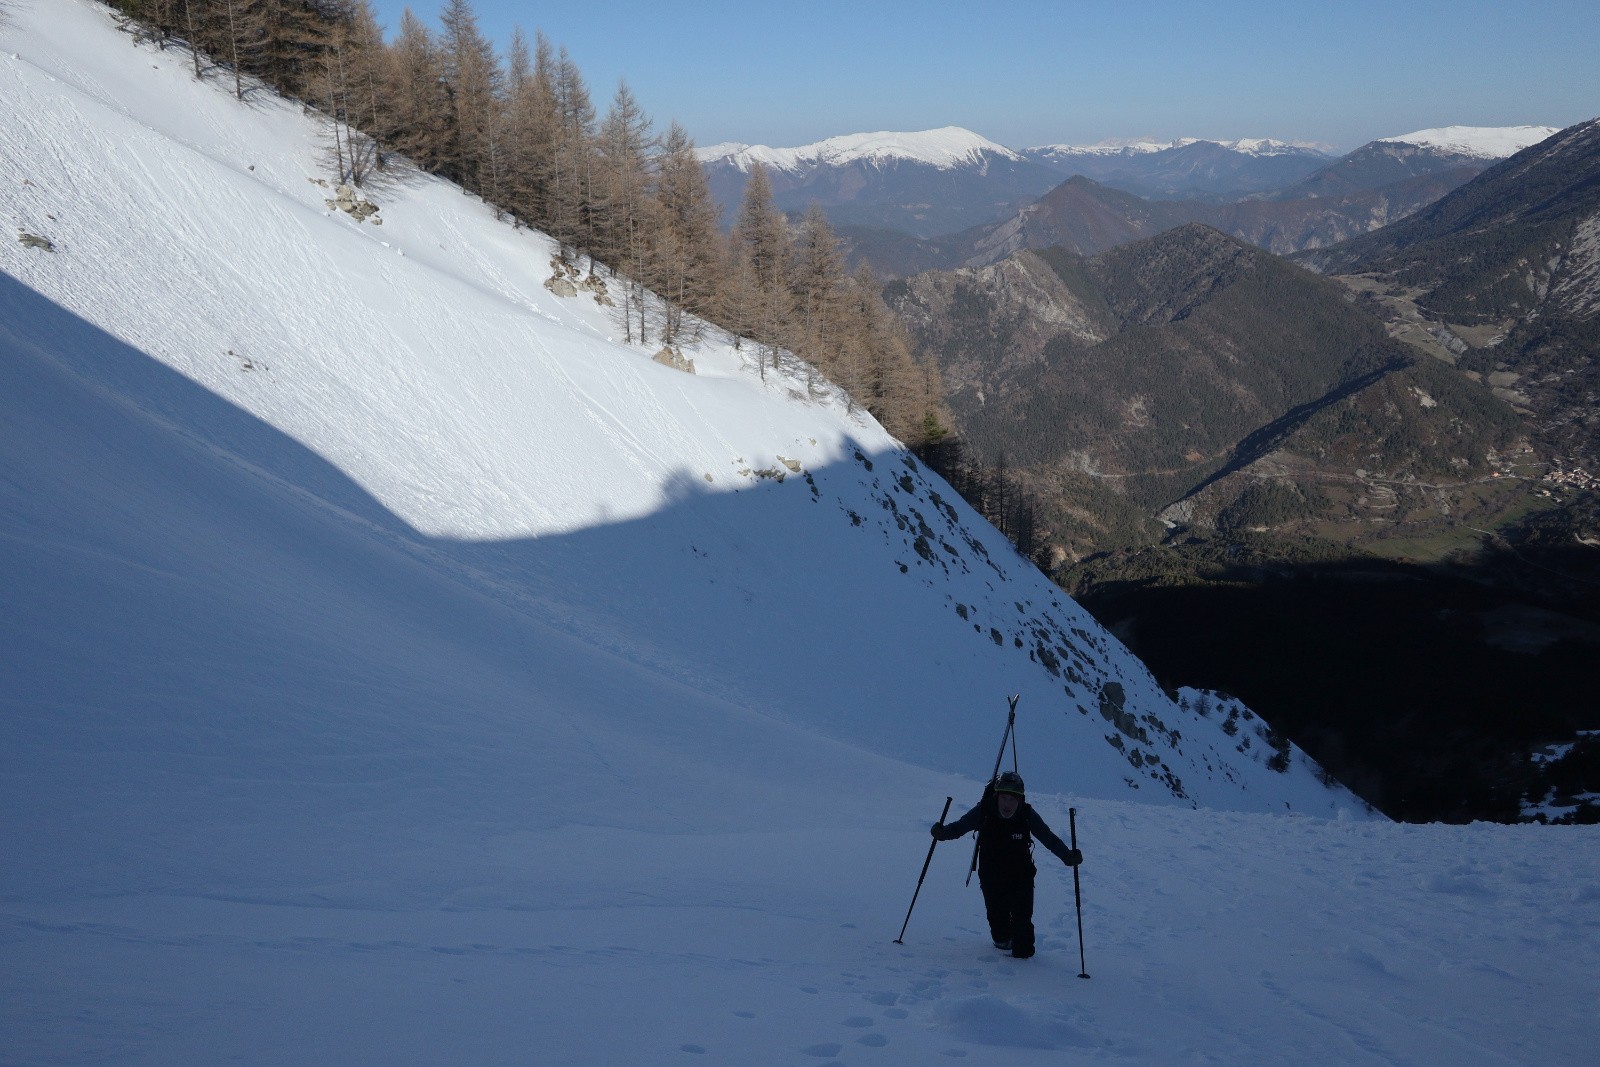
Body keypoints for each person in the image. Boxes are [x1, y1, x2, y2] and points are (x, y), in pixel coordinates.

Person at [931, 771, 1082, 959]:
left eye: (1012, 799)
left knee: (1023, 942)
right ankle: (1003, 936)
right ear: (997, 796)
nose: (1007, 804)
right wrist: (942, 833)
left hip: (1021, 875)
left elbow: (1048, 838)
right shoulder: (985, 810)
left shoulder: (1026, 814)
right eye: (1004, 798)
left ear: (1020, 799)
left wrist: (1067, 856)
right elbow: (960, 827)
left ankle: (1023, 966)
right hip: (991, 875)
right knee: (1000, 934)